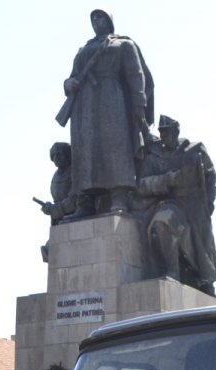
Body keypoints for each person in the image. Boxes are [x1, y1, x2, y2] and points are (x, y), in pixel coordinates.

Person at [59, 9, 154, 216]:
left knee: (114, 145)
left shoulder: (123, 44)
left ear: (109, 21)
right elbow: (72, 76)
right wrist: (68, 83)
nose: (95, 21)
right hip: (84, 105)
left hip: (112, 98)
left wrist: (139, 105)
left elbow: (135, 76)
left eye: (100, 16)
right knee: (85, 150)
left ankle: (118, 195)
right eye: (92, 18)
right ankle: (85, 200)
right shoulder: (83, 49)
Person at [132, 115, 216, 295]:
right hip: (172, 203)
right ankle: (172, 271)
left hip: (195, 205)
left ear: (176, 130)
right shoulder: (155, 156)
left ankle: (205, 281)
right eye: (162, 132)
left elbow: (211, 176)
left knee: (203, 247)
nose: (164, 136)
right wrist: (167, 180)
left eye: (167, 131)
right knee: (161, 222)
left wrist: (209, 203)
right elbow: (141, 185)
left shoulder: (194, 150)